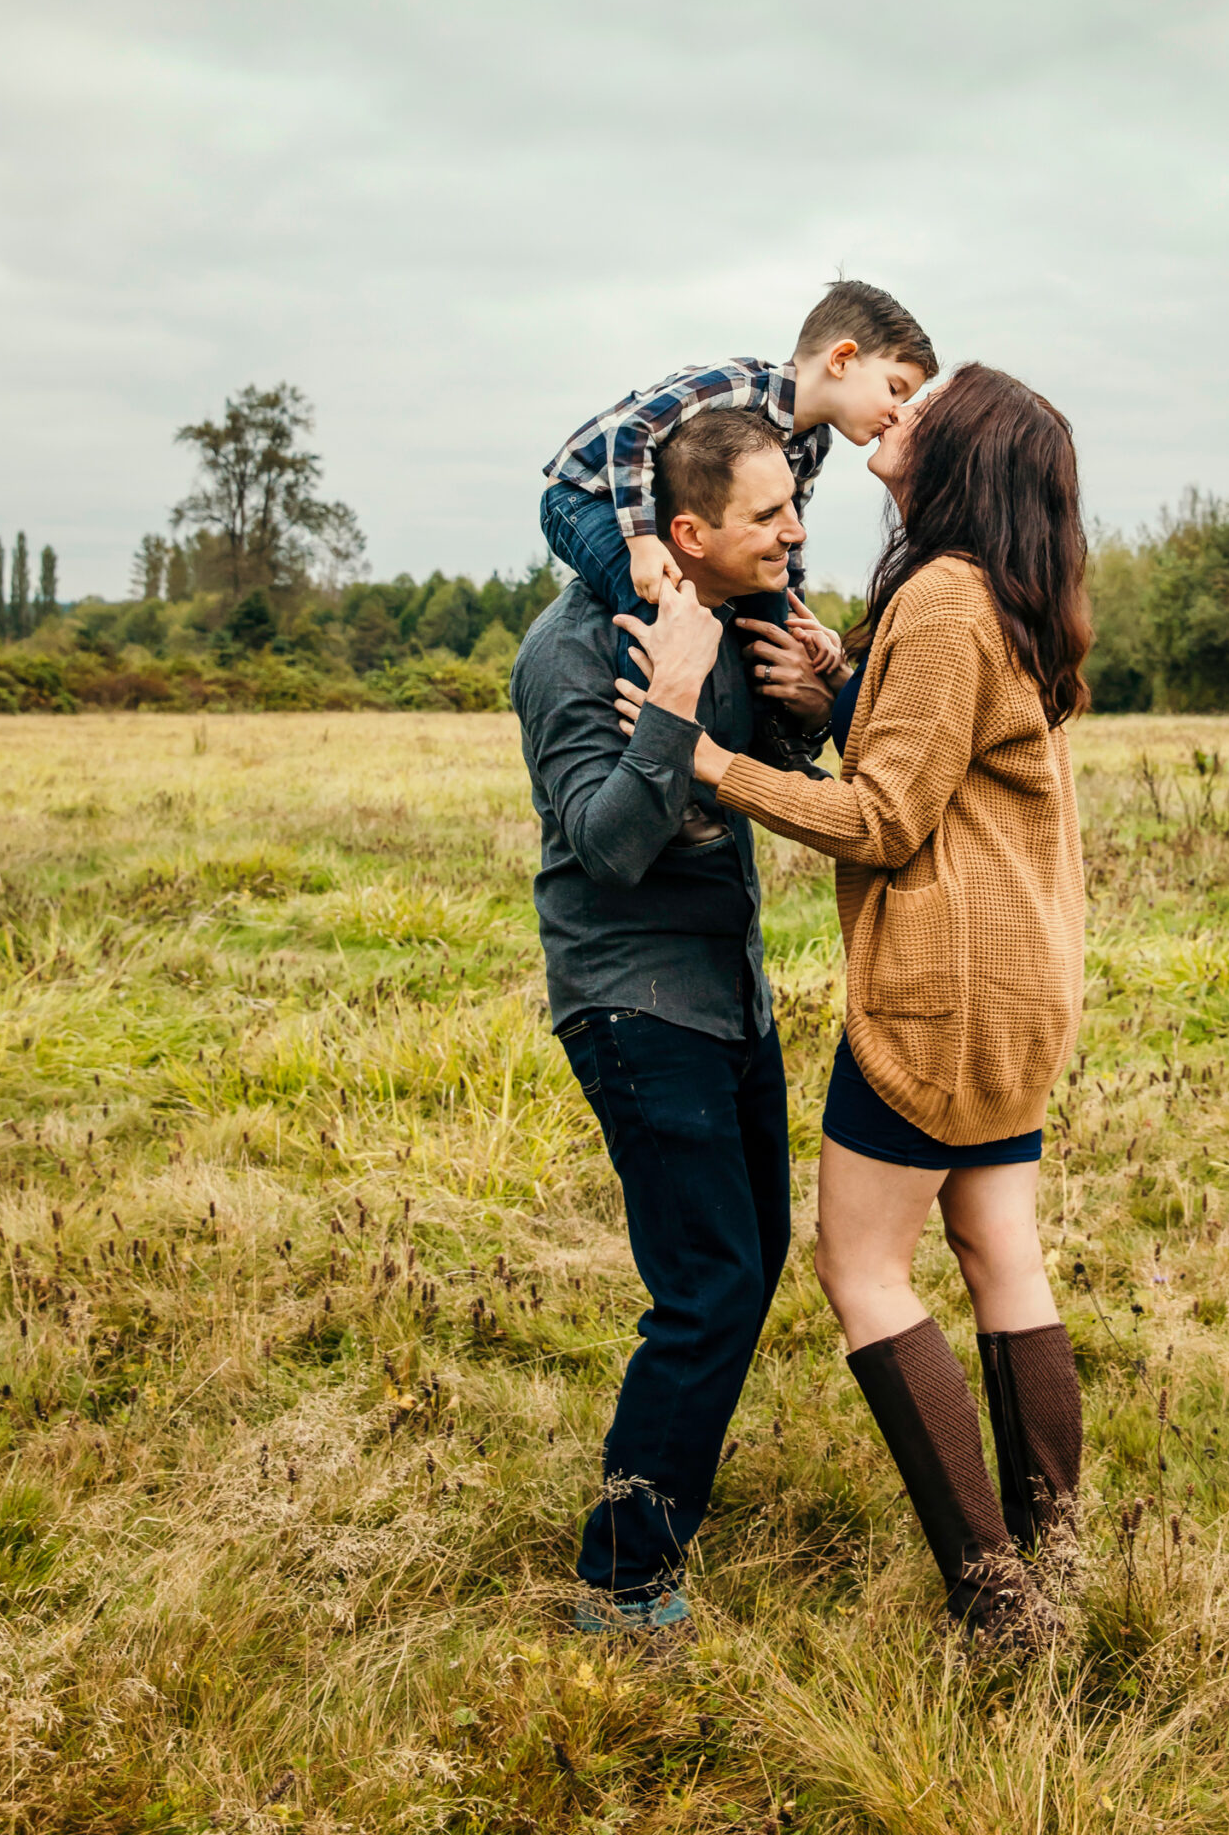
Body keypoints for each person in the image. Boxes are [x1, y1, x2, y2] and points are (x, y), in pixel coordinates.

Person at [618, 366, 1090, 1647]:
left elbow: (886, 816)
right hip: (1022, 979)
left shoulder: (941, 597)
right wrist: (841, 693)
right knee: (1001, 1250)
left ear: (962, 461)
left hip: (940, 990)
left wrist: (710, 760)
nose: (903, 416)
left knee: (861, 1266)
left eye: (930, 414)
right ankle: (1061, 1563)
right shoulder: (1001, 594)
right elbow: (939, 752)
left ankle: (995, 1602)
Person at [510, 407, 839, 1643]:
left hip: (729, 994)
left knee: (745, 1268)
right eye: (770, 515)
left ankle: (661, 1505)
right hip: (633, 998)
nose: (796, 532)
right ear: (687, 532)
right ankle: (621, 1581)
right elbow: (603, 848)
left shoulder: (744, 619)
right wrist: (678, 701)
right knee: (706, 1287)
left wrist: (803, 702)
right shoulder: (571, 648)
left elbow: (770, 768)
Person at [538, 278, 936, 767]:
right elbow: (633, 430)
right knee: (651, 598)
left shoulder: (813, 443)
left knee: (768, 621)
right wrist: (642, 542)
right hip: (587, 498)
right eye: (894, 388)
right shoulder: (739, 385)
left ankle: (779, 745)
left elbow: (788, 536)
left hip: (674, 520)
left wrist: (792, 617)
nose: (897, 412)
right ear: (841, 359)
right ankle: (649, 755)